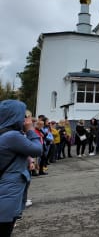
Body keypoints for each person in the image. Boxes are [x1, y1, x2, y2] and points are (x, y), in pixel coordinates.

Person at [0, 100, 43, 236]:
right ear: (15, 116)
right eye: (24, 115)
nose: (26, 119)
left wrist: (27, 159)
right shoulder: (12, 136)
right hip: (7, 194)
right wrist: (30, 130)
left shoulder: (4, 133)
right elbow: (37, 149)